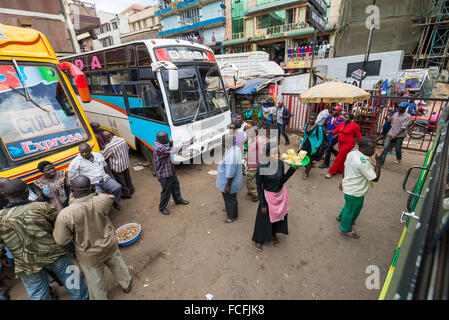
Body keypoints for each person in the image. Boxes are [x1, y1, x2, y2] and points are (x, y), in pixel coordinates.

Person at [0, 179, 88, 300]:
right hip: (54, 254)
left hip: (26, 263)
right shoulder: (41, 207)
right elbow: (61, 222)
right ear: (26, 192)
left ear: (4, 195)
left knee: (37, 293)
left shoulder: (1, 217)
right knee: (71, 280)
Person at [53, 175, 132, 300]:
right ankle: (126, 285)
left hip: (89, 254)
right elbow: (108, 197)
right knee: (118, 266)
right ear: (91, 187)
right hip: (109, 244)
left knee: (96, 281)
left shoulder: (65, 215)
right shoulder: (103, 200)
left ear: (72, 192)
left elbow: (61, 240)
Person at [252, 143, 296, 252]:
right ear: (267, 154)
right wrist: (262, 204)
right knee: (263, 218)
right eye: (274, 153)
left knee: (277, 217)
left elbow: (282, 180)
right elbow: (258, 186)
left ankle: (273, 234)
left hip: (280, 195)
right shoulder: (262, 167)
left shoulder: (280, 164)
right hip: (267, 197)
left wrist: (292, 169)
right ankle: (259, 239)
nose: (277, 155)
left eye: (278, 152)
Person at [336, 138, 382, 238]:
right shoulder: (362, 163)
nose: (374, 151)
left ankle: (340, 216)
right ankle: (345, 230)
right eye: (372, 149)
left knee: (349, 206)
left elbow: (346, 167)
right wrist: (379, 161)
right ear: (363, 148)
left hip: (349, 187)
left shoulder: (352, 153)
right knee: (352, 210)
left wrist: (343, 180)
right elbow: (375, 178)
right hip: (356, 191)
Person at [68, 143, 122, 211]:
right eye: (82, 152)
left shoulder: (98, 155)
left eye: (86, 151)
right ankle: (104, 210)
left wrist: (108, 175)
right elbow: (73, 178)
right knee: (99, 199)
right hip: (93, 185)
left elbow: (105, 165)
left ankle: (114, 202)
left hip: (104, 179)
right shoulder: (75, 163)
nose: (84, 154)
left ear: (90, 150)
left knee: (117, 187)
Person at [153, 132, 194, 215]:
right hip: (164, 173)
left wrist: (170, 144)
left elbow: (169, 150)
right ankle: (162, 207)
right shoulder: (159, 147)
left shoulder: (161, 143)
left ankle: (178, 200)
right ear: (161, 139)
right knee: (166, 191)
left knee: (175, 186)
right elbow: (174, 150)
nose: (168, 139)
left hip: (169, 170)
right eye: (166, 138)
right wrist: (189, 143)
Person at [216, 134, 243, 223]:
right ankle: (229, 208)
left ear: (227, 143)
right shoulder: (235, 148)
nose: (222, 143)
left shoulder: (232, 155)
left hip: (229, 182)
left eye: (223, 141)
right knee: (230, 198)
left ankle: (232, 216)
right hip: (234, 180)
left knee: (230, 198)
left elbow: (230, 173)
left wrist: (227, 185)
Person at [326, 113, 362, 179]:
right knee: (342, 158)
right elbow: (336, 131)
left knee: (339, 157)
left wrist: (362, 144)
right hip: (340, 144)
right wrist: (330, 132)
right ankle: (340, 170)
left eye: (347, 118)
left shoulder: (355, 126)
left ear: (350, 119)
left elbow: (359, 136)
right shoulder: (341, 123)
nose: (344, 119)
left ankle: (331, 172)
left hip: (348, 144)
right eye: (344, 117)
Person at [101, 132, 135, 199]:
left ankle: (126, 194)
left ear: (105, 138)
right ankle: (131, 189)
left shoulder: (109, 146)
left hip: (117, 166)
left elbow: (104, 156)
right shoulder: (122, 139)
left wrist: (103, 149)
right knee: (127, 176)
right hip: (125, 162)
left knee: (121, 180)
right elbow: (127, 148)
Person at [299, 113, 326, 179]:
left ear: (315, 119)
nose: (311, 120)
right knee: (302, 157)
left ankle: (306, 173)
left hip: (313, 146)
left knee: (310, 160)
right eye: (310, 119)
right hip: (305, 144)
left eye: (313, 119)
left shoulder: (318, 128)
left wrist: (316, 147)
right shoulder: (306, 125)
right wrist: (302, 144)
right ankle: (308, 166)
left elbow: (320, 139)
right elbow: (305, 135)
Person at [246, 127, 266, 202]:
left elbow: (262, 154)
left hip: (255, 164)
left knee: (250, 179)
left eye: (251, 132)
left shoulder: (259, 141)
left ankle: (255, 195)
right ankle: (251, 191)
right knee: (252, 179)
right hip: (250, 163)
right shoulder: (252, 139)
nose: (249, 133)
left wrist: (260, 165)